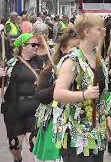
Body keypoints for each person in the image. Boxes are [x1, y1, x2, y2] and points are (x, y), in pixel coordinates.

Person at [53, 13, 111, 162]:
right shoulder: (71, 60)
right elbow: (58, 94)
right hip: (76, 134)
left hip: (96, 132)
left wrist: (107, 118)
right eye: (100, 29)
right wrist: (84, 95)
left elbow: (100, 95)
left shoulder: (98, 58)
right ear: (87, 32)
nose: (104, 32)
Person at [33, 28, 79, 162]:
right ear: (64, 49)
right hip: (56, 125)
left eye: (79, 48)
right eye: (74, 47)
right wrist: (56, 87)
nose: (77, 52)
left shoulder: (87, 69)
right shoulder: (51, 70)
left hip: (79, 126)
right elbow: (40, 96)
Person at [0, 33, 44, 162]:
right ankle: (17, 159)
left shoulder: (41, 63)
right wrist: (1, 76)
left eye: (37, 45)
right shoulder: (12, 63)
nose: (36, 47)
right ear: (23, 46)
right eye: (33, 45)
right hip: (15, 108)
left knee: (35, 141)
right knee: (15, 144)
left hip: (36, 107)